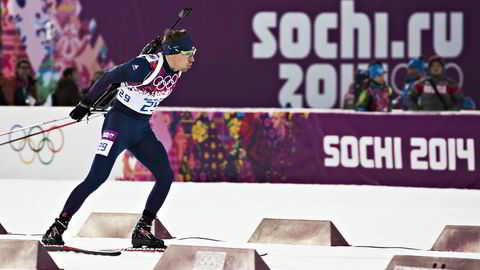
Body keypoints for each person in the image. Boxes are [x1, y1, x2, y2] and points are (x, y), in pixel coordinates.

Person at [41, 29, 196, 248]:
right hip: (118, 125)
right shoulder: (145, 66)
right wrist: (85, 103)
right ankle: (57, 227)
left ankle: (142, 231)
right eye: (189, 53)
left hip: (141, 129)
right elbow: (109, 77)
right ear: (173, 53)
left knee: (165, 176)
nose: (192, 58)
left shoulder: (176, 68)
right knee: (96, 178)